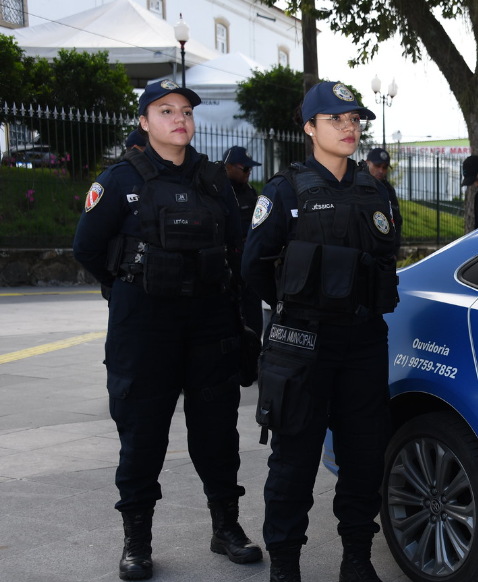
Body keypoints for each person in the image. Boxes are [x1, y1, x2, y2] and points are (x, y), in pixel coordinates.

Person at [72, 79, 262, 580]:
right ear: (144, 121)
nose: (179, 118)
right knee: (142, 438)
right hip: (145, 329)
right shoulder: (118, 180)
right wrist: (128, 286)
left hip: (209, 326)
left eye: (185, 111)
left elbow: (238, 254)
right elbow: (87, 249)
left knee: (218, 435)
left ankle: (226, 529)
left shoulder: (216, 181)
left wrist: (245, 327)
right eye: (165, 110)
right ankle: (137, 542)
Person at [241, 81, 399, 582]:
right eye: (335, 119)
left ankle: (356, 558)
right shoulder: (284, 190)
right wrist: (298, 306)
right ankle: (285, 565)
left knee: (363, 454)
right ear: (309, 128)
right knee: (295, 458)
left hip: (363, 340)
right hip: (302, 344)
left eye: (354, 118)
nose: (349, 126)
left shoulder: (377, 190)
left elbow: (385, 258)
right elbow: (254, 268)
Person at [223, 145, 265, 337]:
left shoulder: (249, 190)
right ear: (229, 166)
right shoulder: (219, 191)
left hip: (250, 258)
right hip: (229, 260)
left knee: (253, 306)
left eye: (251, 169)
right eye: (245, 168)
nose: (249, 173)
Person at [364, 147, 402, 253]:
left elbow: (396, 221)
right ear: (367, 163)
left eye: (384, 167)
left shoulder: (388, 190)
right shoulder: (356, 186)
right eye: (377, 166)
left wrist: (394, 251)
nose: (381, 171)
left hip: (384, 251)